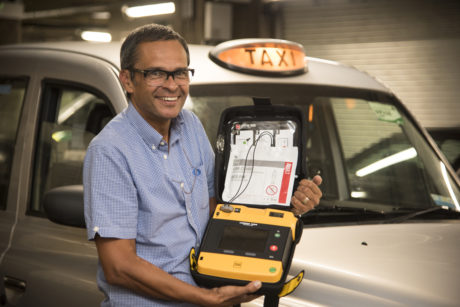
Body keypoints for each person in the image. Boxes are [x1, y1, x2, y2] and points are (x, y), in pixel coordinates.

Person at [83, 23, 322, 307]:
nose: (172, 85)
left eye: (180, 72)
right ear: (128, 80)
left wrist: (285, 205)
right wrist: (207, 297)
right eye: (156, 73)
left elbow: (220, 210)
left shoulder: (190, 126)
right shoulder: (110, 150)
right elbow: (118, 267)